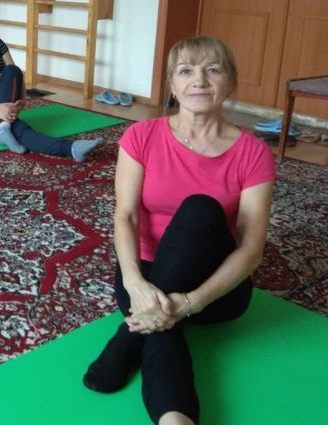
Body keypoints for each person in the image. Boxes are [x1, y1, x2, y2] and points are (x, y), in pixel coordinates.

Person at [82, 36, 276, 424]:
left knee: (200, 210)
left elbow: (251, 249)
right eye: (186, 71)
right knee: (163, 327)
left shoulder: (253, 153)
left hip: (216, 291)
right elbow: (126, 216)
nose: (198, 80)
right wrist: (135, 284)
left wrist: (191, 302)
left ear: (231, 81)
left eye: (212, 70)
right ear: (172, 84)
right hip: (145, 278)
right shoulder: (142, 136)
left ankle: (126, 339)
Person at [0, 0, 103, 161]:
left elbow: (15, 76)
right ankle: (71, 148)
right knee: (18, 128)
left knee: (12, 70)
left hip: (0, 103)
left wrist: (21, 100)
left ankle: (5, 126)